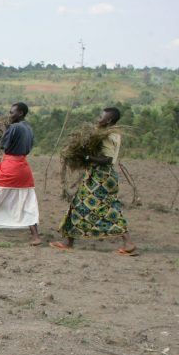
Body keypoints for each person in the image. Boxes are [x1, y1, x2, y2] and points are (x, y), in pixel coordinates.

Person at [51, 107, 136, 255]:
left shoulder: (109, 136)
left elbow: (107, 159)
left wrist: (87, 157)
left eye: (101, 116)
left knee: (103, 208)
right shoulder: (112, 134)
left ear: (109, 120)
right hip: (101, 176)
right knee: (81, 204)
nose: (98, 119)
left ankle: (128, 242)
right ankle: (68, 240)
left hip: (100, 177)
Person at [0, 102, 41, 245]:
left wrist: (5, 130)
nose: (9, 115)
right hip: (24, 169)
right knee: (27, 202)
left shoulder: (14, 127)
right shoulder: (28, 128)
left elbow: (4, 145)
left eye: (12, 113)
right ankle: (35, 235)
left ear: (21, 114)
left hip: (9, 168)